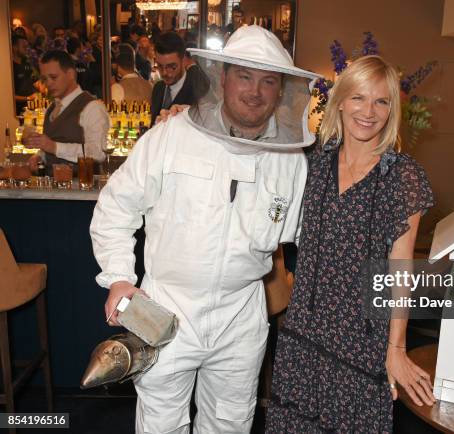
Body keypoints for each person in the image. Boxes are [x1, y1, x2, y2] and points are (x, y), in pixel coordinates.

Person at [90, 24, 319, 433]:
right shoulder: (170, 138)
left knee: (230, 424)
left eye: (268, 81)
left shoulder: (291, 161)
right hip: (165, 310)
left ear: (282, 89)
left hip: (242, 315)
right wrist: (119, 278)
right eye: (245, 76)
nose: (255, 91)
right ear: (223, 78)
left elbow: (306, 234)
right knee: (161, 424)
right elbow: (115, 206)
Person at [265, 55, 436, 433]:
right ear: (340, 100)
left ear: (392, 110)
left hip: (361, 346)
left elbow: (401, 269)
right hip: (303, 338)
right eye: (359, 97)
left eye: (381, 101)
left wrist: (396, 349)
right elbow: (254, 150)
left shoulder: (402, 177)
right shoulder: (311, 162)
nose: (369, 111)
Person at [24, 50, 109, 175]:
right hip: (53, 189)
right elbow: (52, 144)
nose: (48, 83)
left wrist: (54, 147)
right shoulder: (51, 108)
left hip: (82, 189)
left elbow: (98, 153)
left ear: (70, 74)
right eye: (44, 79)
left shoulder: (93, 107)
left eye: (53, 77)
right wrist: (39, 157)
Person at [150, 32, 207, 123]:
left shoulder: (198, 91)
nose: (164, 73)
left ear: (184, 60)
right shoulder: (158, 88)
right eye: (160, 66)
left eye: (172, 67)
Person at [12, 34, 37, 114]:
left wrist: (40, 85)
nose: (27, 49)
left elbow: (34, 80)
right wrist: (28, 98)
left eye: (27, 46)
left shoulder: (27, 63)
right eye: (24, 47)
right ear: (14, 47)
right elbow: (7, 95)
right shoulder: (10, 67)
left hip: (32, 109)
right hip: (18, 112)